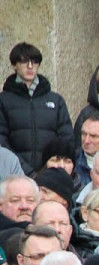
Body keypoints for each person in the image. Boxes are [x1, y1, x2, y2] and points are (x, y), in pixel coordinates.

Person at [0, 43, 73, 175]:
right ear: (14, 65)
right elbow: (2, 141)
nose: (30, 66)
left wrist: (51, 167)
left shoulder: (56, 100)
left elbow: (66, 139)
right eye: (24, 61)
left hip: (52, 173)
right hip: (15, 174)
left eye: (35, 62)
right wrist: (26, 171)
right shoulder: (3, 100)